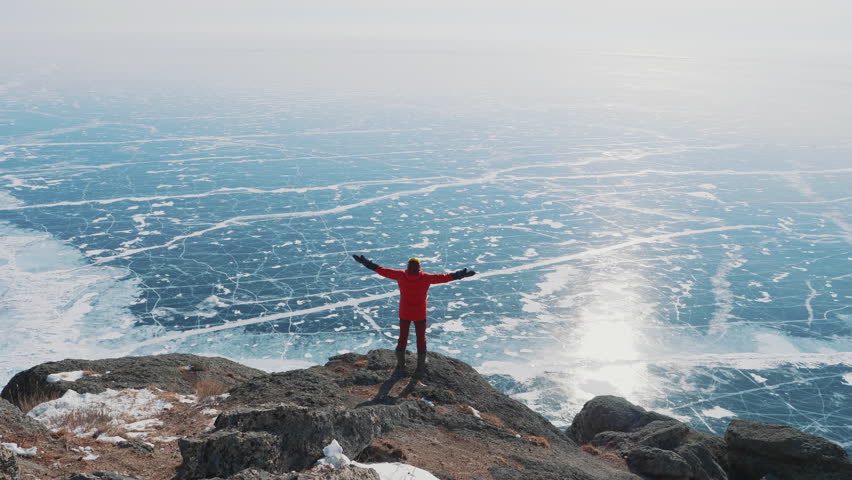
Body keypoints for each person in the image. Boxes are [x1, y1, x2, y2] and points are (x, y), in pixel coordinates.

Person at [352, 255, 476, 377]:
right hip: (419, 314)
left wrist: (366, 263)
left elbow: (382, 270)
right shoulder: (425, 277)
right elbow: (444, 277)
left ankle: (401, 366)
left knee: (402, 338)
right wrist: (460, 274)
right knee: (421, 339)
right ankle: (420, 368)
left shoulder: (401, 275)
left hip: (405, 312)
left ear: (408, 266)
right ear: (419, 267)